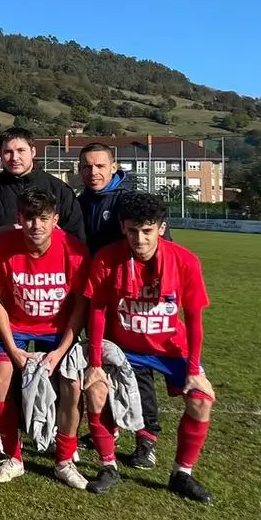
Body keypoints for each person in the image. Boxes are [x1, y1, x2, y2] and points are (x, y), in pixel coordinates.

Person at [82, 193, 216, 504]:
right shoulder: (106, 258)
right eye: (132, 230)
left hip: (171, 349)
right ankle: (108, 466)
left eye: (147, 231)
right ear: (122, 227)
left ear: (161, 228)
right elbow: (97, 311)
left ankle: (182, 474)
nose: (139, 239)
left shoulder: (185, 261)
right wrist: (95, 363)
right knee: (96, 391)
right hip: (124, 347)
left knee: (201, 400)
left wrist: (194, 369)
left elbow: (194, 319)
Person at [0, 127, 85, 445]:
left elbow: (75, 240)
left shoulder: (57, 189)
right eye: (7, 152)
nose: (14, 157)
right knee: (7, 369)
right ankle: (8, 432)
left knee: (59, 373)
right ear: (0, 155)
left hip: (51, 302)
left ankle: (56, 431)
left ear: (33, 151)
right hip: (7, 291)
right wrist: (11, 236)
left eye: (20, 150)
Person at [0, 189, 90, 488]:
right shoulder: (1, 247)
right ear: (20, 218)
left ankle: (64, 460)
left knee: (72, 388)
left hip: (57, 329)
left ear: (56, 219)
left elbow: (80, 305)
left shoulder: (75, 250)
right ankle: (13, 457)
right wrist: (12, 348)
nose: (36, 225)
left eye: (43, 218)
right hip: (15, 325)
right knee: (0, 386)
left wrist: (61, 350)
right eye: (29, 218)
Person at [78, 143, 169, 467]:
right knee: (101, 363)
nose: (93, 172)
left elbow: (160, 247)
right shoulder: (80, 202)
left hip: (130, 299)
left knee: (138, 368)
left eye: (100, 166)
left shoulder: (129, 201)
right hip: (95, 296)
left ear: (114, 167)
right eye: (87, 167)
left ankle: (147, 439)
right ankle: (109, 428)